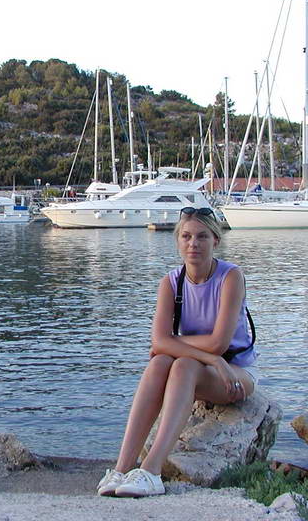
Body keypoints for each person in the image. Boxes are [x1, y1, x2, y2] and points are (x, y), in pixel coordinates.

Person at [96, 206, 259, 498]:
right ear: (178, 241)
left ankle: (151, 471)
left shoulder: (230, 277)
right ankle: (122, 468)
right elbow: (159, 343)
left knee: (182, 363)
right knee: (160, 363)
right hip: (210, 366)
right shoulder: (171, 283)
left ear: (215, 240)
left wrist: (192, 349)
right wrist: (210, 358)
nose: (193, 243)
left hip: (235, 372)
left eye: (202, 236)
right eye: (186, 236)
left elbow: (219, 344)